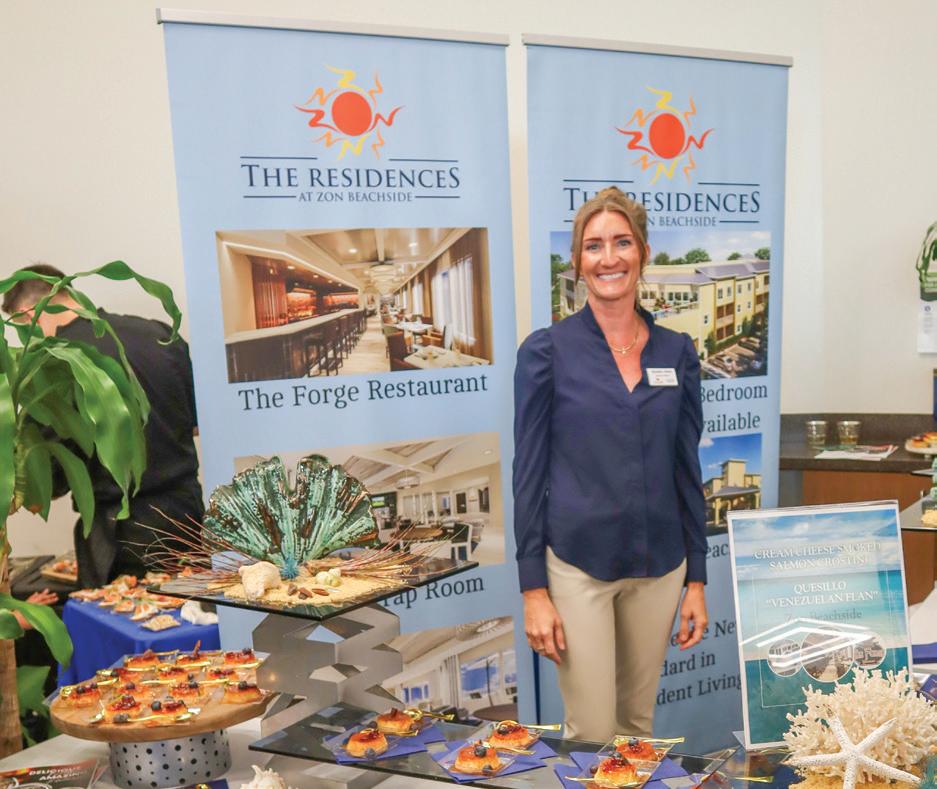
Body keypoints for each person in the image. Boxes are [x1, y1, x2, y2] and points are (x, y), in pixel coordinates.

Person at [513, 187, 708, 741]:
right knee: (592, 733)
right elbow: (528, 474)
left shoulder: (676, 352)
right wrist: (533, 591)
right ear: (578, 262)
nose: (609, 258)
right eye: (593, 246)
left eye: (622, 242)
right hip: (579, 565)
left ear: (643, 252)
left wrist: (696, 577)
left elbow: (686, 469)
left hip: (661, 567)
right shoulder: (546, 352)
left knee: (637, 728)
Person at [2, 263, 203, 587]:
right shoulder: (159, 332)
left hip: (121, 536)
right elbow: (194, 425)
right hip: (188, 516)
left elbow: (51, 479)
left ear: (29, 316)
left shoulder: (56, 364)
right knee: (196, 614)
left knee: (123, 617)